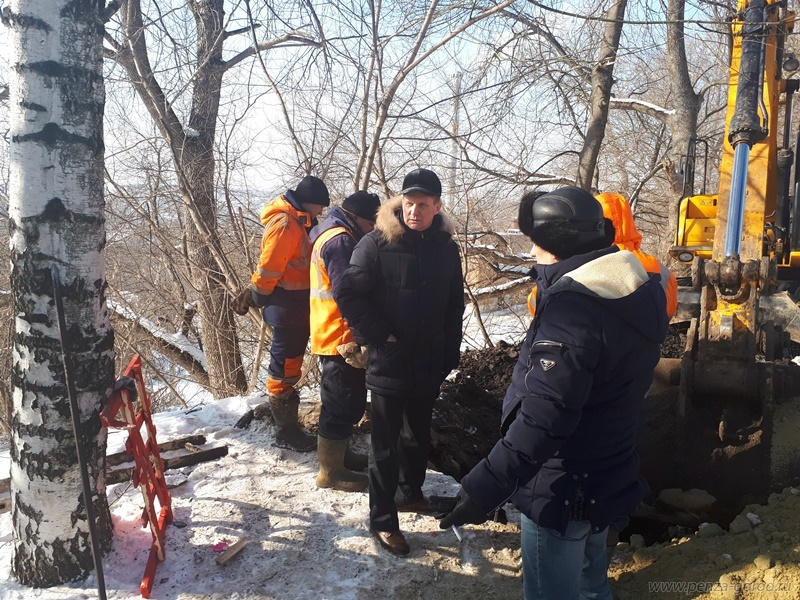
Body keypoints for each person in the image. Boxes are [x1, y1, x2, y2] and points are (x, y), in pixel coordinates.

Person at [435, 186, 668, 599]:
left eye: (534, 241)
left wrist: (482, 488)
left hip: (562, 484)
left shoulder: (573, 308)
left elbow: (545, 417)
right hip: (605, 468)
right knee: (591, 584)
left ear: (551, 244)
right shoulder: (633, 287)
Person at [336, 168, 464, 557]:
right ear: (399, 203)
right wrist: (379, 335)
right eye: (408, 203)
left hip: (430, 360)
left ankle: (410, 494)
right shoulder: (376, 244)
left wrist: (449, 350)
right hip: (390, 362)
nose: (414, 211)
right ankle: (382, 521)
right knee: (385, 446)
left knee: (417, 436)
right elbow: (347, 292)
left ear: (437, 207)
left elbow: (454, 305)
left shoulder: (445, 246)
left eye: (423, 204)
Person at [232, 175, 330, 453]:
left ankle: (280, 410)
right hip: (287, 305)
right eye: (319, 206)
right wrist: (256, 294)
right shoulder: (287, 223)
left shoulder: (298, 220)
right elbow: (270, 267)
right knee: (285, 363)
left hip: (295, 303)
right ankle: (286, 430)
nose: (321, 212)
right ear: (309, 203)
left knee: (288, 361)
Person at [309, 190, 382, 493]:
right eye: (370, 224)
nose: (371, 231)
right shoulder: (340, 241)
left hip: (334, 332)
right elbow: (346, 293)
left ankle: (342, 455)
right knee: (339, 404)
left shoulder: (331, 232)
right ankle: (331, 472)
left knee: (347, 400)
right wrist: (363, 336)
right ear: (358, 217)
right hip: (340, 336)